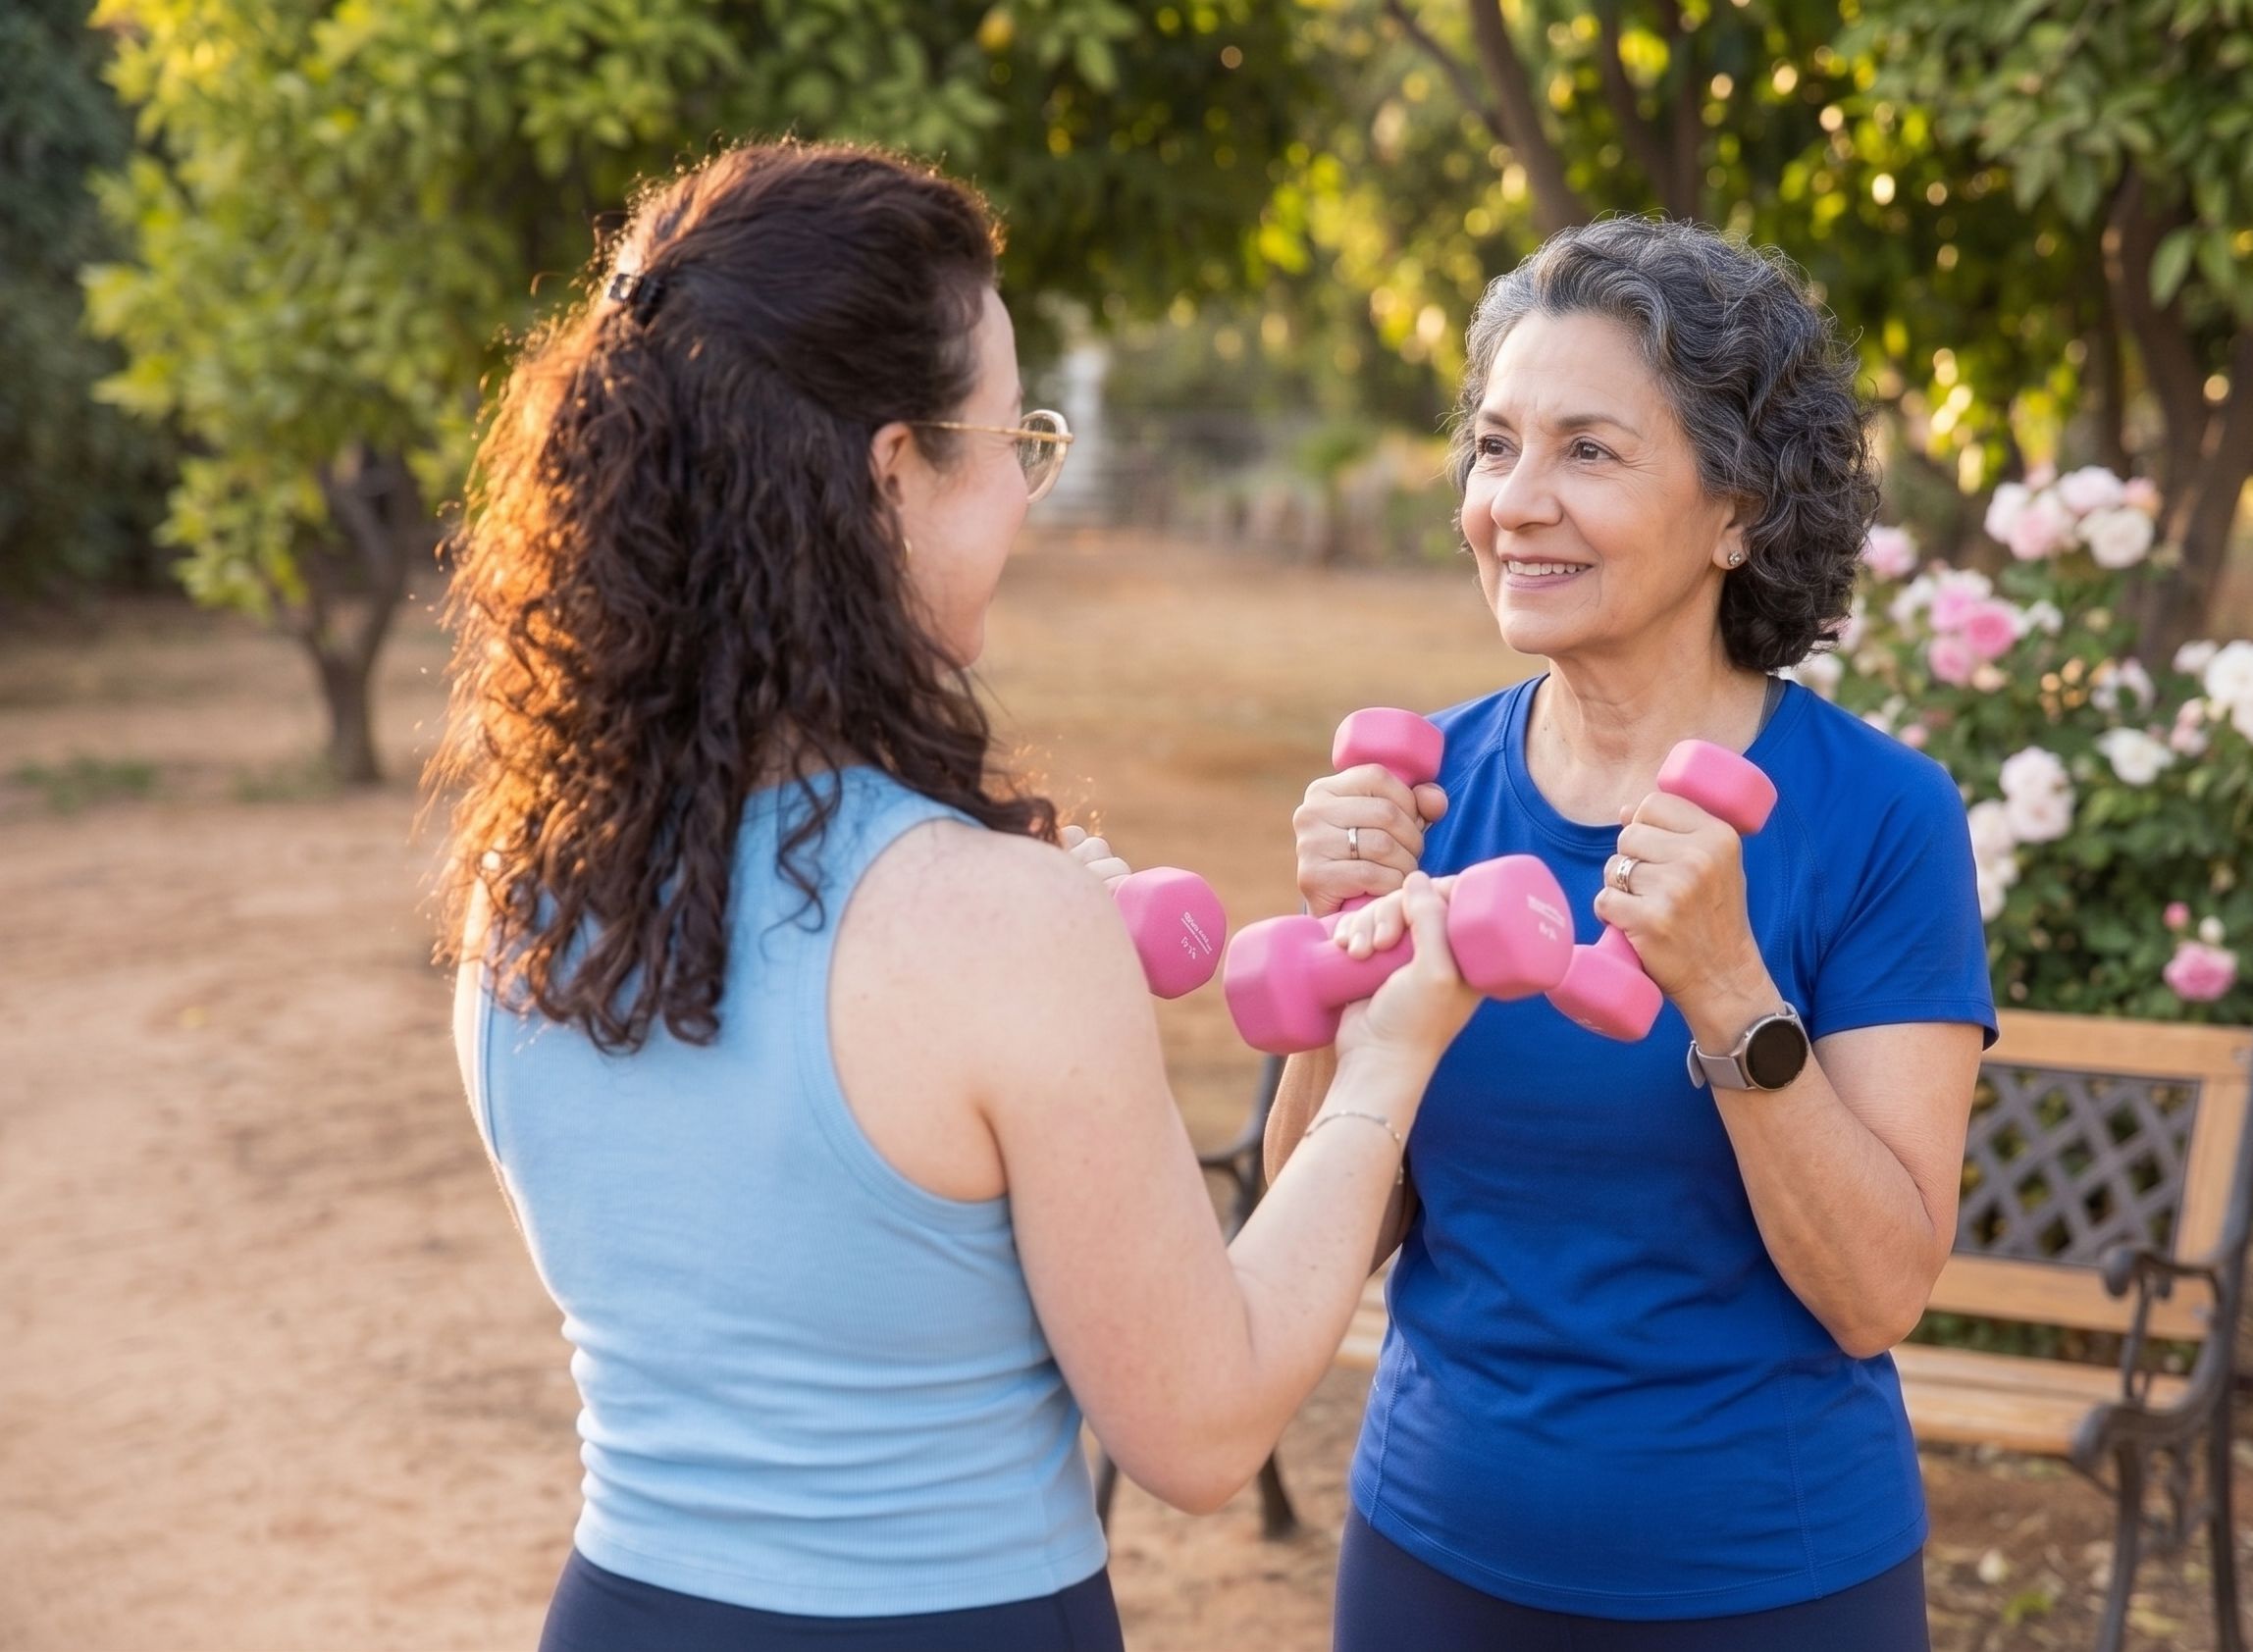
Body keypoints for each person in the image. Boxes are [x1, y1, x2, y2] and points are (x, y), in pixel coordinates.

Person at [433, 139, 1481, 1652]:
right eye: (1011, 440)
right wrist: (1385, 1069)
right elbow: (1197, 1432)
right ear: (892, 472)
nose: (1030, 494)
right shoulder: (998, 924)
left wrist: (1037, 977)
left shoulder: (521, 890)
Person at [1266, 217, 1997, 1651]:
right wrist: (1343, 964)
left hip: (1773, 1586)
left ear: (1739, 512)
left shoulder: (1881, 817)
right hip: (1432, 1559)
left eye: (1588, 452)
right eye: (1494, 446)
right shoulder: (1422, 794)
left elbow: (1877, 1292)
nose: (1513, 504)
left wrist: (1729, 990)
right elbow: (1313, 1240)